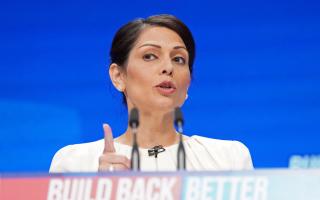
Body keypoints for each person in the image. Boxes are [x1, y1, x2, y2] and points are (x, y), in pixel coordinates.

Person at [49, 14, 253, 172]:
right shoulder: (75, 163)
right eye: (149, 56)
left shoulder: (227, 159)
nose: (168, 67)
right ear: (118, 76)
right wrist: (101, 191)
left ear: (188, 83)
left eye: (179, 59)